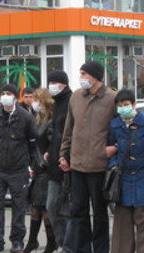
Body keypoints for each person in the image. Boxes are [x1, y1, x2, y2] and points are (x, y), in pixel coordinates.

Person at [59, 61, 116, 253]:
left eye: (84, 74)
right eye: (80, 74)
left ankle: (101, 249)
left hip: (99, 166)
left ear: (95, 76)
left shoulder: (111, 98)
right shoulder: (76, 97)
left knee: (100, 213)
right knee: (78, 211)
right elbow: (69, 129)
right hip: (77, 165)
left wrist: (114, 147)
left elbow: (120, 130)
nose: (81, 77)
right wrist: (63, 155)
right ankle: (82, 249)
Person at [0, 84, 39, 253]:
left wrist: (32, 165)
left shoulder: (25, 117)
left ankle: (17, 241)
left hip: (18, 169)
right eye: (2, 93)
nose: (5, 96)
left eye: (8, 94)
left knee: (18, 206)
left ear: (15, 97)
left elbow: (32, 143)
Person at [107, 89, 144, 253]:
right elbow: (110, 149)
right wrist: (114, 165)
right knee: (122, 230)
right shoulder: (114, 125)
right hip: (122, 182)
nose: (123, 108)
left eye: (126, 105)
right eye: (120, 105)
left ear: (134, 104)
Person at [44, 70, 72, 252]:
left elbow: (70, 133)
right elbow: (55, 132)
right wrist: (49, 151)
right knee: (51, 206)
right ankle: (63, 242)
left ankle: (68, 246)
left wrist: (67, 156)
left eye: (54, 82)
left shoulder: (71, 102)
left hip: (67, 164)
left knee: (66, 209)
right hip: (54, 163)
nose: (51, 86)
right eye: (50, 82)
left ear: (63, 84)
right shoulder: (56, 103)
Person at [25, 88, 55, 253]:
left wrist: (44, 161)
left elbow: (51, 144)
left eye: (37, 99)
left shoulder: (51, 119)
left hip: (47, 168)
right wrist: (33, 165)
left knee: (43, 208)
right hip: (38, 167)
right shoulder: (38, 118)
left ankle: (50, 243)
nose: (34, 103)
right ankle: (33, 241)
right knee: (37, 207)